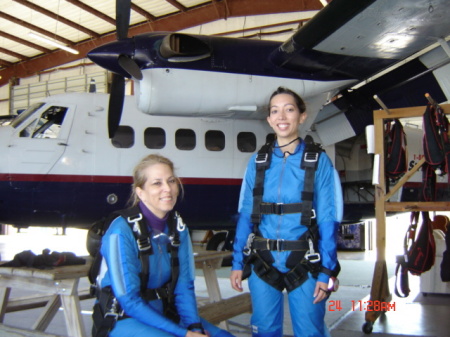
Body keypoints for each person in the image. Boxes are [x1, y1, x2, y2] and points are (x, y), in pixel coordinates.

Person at [230, 87, 343, 337]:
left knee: (309, 332)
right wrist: (237, 261)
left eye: (289, 109)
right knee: (264, 331)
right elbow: (246, 214)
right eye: (275, 111)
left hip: (306, 263)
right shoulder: (258, 162)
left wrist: (327, 270)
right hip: (263, 262)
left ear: (302, 116)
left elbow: (328, 219)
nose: (282, 116)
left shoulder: (318, 161)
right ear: (269, 119)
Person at [97, 154, 235, 337]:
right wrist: (184, 334)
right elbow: (129, 301)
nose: (167, 189)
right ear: (140, 192)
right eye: (157, 183)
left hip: (165, 312)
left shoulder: (178, 228)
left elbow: (184, 286)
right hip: (125, 318)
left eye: (171, 181)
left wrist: (195, 328)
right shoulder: (120, 232)